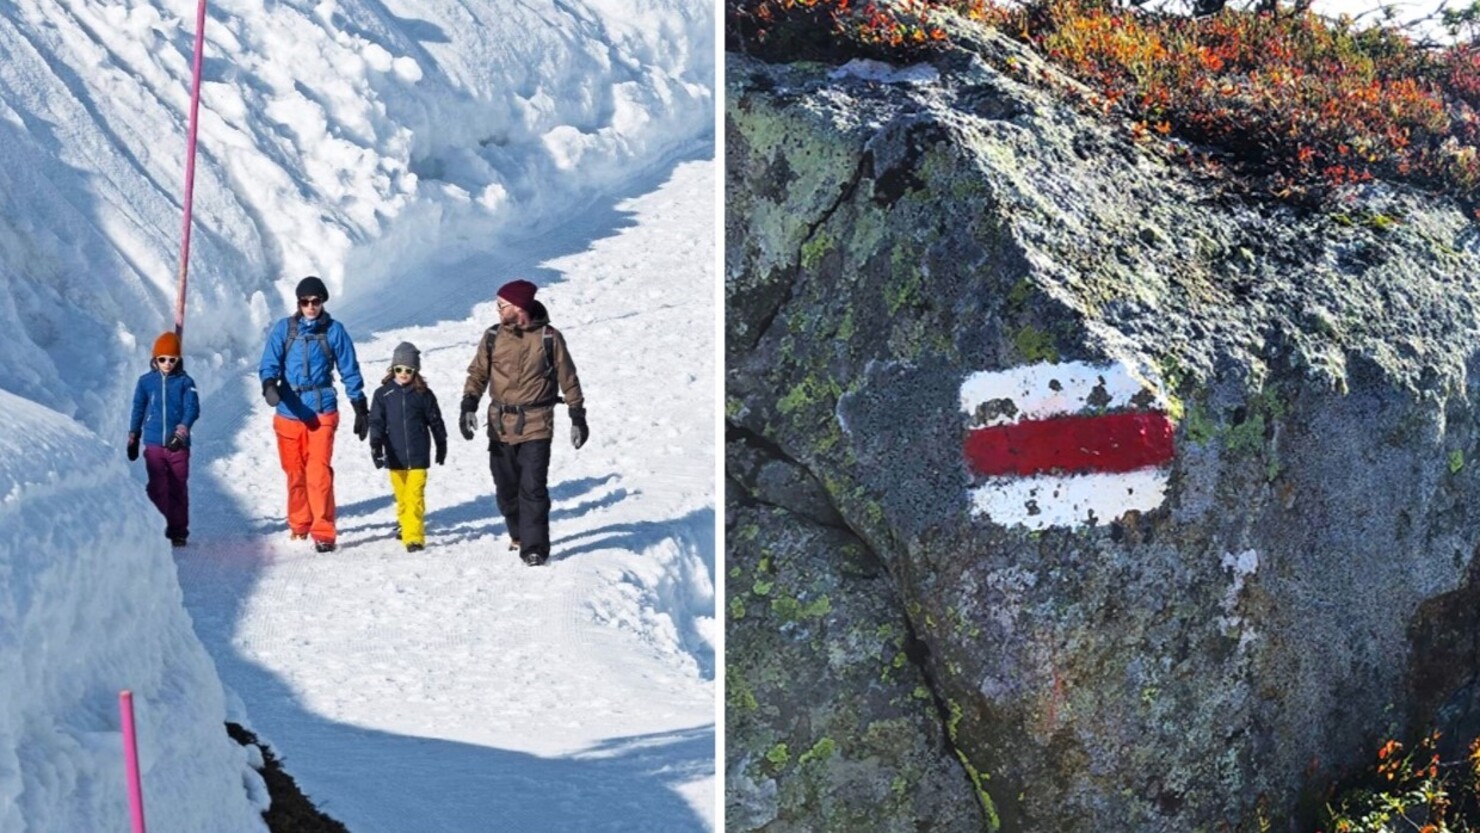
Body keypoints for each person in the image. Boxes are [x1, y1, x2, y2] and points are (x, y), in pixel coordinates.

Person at [459, 279, 587, 566]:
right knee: (506, 489)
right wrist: (468, 404)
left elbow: (569, 378)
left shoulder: (549, 338)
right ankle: (517, 532)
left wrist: (577, 415)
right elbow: (478, 373)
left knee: (533, 487)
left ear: (518, 307)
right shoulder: (492, 336)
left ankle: (534, 547)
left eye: (501, 305)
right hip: (499, 423)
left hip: (536, 423)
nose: (497, 309)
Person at [258, 276, 367, 553]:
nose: (310, 307)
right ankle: (300, 523)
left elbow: (349, 369)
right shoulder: (285, 329)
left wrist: (359, 404)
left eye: (315, 301)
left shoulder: (334, 331)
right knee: (295, 472)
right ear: (298, 303)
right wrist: (269, 384)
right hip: (289, 409)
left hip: (321, 410)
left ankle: (323, 532)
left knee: (318, 472)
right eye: (305, 302)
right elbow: (269, 362)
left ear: (322, 302)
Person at [369, 342, 448, 553]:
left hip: (419, 453)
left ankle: (413, 537)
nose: (403, 374)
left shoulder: (423, 394)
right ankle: (404, 523)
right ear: (392, 369)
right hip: (394, 454)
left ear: (416, 371)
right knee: (402, 496)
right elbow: (376, 422)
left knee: (414, 496)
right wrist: (376, 445)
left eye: (408, 370)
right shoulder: (382, 394)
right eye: (399, 369)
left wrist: (442, 443)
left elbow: (436, 421)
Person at [127, 331, 200, 547]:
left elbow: (192, 408)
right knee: (157, 486)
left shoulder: (185, 382)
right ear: (154, 359)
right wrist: (134, 435)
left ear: (178, 359)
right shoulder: (146, 382)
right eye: (162, 359)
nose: (167, 364)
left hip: (178, 446)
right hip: (153, 443)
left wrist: (181, 432)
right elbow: (138, 408)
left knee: (178, 486)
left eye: (172, 359)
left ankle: (178, 531)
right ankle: (157, 529)